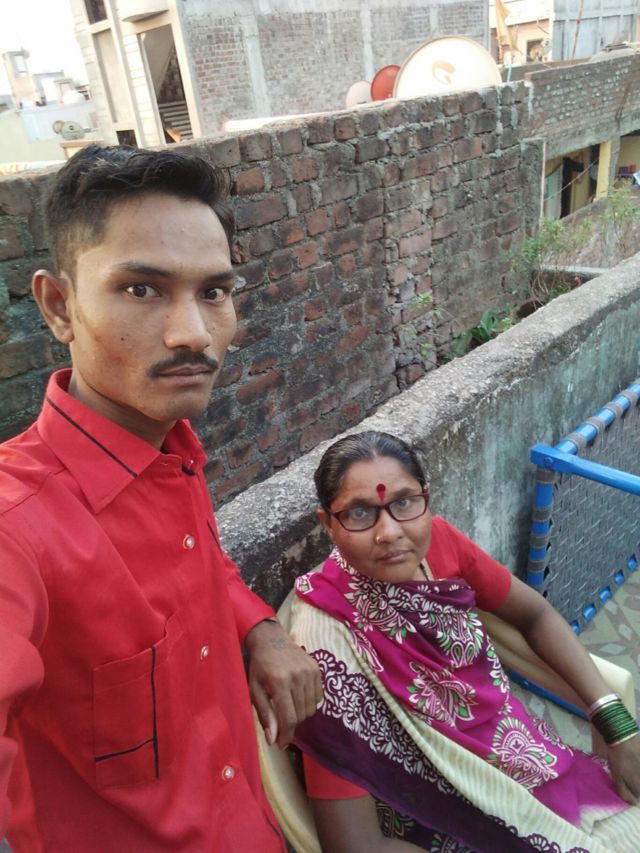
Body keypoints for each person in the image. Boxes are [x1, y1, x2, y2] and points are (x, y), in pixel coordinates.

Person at [0, 144, 322, 851]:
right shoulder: (18, 523)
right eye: (142, 290)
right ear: (59, 306)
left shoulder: (169, 449)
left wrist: (259, 629)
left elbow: (198, 565)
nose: (193, 334)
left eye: (214, 292)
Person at [289, 431, 640, 852]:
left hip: (536, 764)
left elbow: (536, 615)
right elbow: (355, 846)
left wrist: (616, 725)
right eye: (360, 513)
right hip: (450, 818)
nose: (389, 532)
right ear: (328, 524)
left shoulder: (441, 543)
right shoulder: (324, 646)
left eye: (404, 502)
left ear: (426, 498)